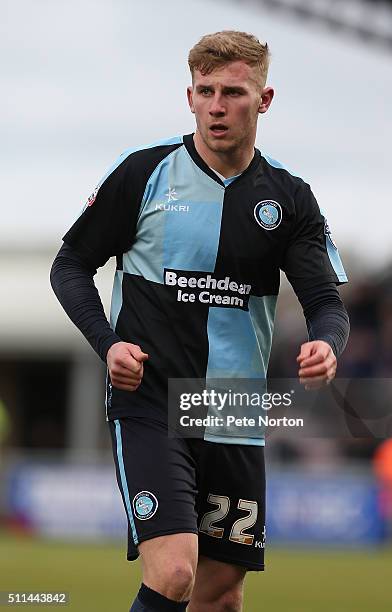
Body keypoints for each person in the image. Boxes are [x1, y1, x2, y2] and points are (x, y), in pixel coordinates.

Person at [51, 30, 350, 612]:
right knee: (176, 573)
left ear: (264, 101)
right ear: (189, 96)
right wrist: (107, 344)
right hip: (153, 403)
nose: (217, 105)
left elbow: (325, 303)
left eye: (233, 92)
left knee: (220, 594)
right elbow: (69, 266)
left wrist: (327, 343)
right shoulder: (144, 174)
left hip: (234, 411)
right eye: (205, 91)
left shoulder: (288, 198)